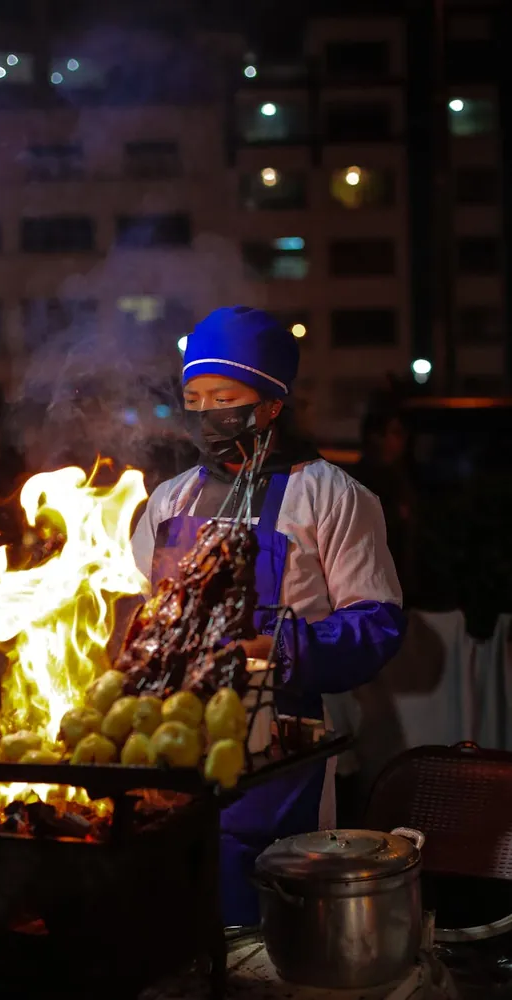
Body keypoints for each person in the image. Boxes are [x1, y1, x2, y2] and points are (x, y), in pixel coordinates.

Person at [131, 306, 406, 927]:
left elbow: (378, 622)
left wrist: (278, 650)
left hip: (281, 749)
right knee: (174, 915)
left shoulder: (330, 494)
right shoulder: (168, 500)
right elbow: (141, 610)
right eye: (194, 397)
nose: (207, 412)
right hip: (172, 745)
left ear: (272, 404)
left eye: (224, 396)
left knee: (270, 925)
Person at [354, 409, 416, 599]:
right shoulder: (359, 484)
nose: (402, 440)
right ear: (376, 437)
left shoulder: (402, 478)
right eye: (395, 433)